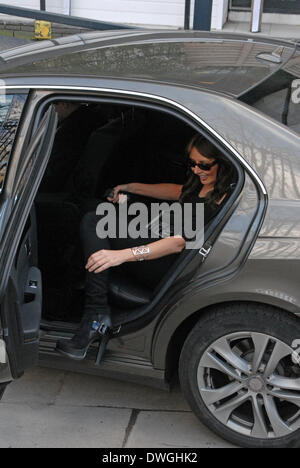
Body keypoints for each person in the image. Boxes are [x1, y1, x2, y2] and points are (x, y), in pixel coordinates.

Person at [56, 135, 236, 362]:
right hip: (160, 245)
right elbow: (173, 191)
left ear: (223, 163)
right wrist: (129, 186)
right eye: (192, 163)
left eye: (204, 164)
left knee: (94, 221)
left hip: (167, 267)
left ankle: (95, 312)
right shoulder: (200, 185)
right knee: (96, 212)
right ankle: (82, 296)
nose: (196, 169)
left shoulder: (223, 198)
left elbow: (178, 242)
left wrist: (122, 255)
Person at [39, 101, 102, 193]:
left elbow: (54, 174)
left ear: (64, 104)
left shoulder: (68, 132)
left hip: (61, 191)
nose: (50, 111)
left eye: (52, 105)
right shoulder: (92, 118)